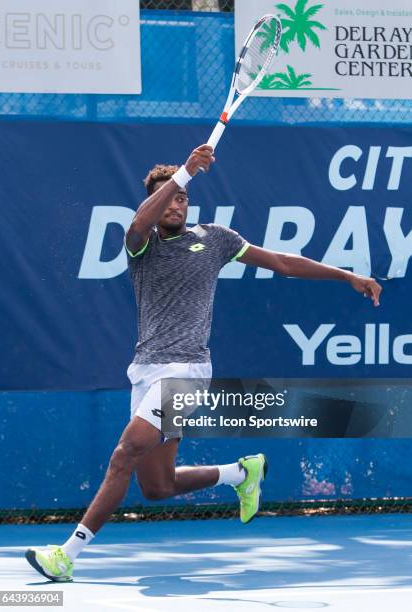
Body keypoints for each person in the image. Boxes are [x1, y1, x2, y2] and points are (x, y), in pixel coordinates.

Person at [25, 144, 382, 582]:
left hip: (188, 371)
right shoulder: (141, 245)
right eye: (168, 196)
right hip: (146, 370)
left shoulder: (215, 240)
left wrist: (347, 275)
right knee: (157, 487)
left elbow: (283, 263)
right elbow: (139, 223)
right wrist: (183, 174)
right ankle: (239, 473)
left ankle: (66, 556)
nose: (176, 203)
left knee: (126, 451)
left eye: (182, 197)